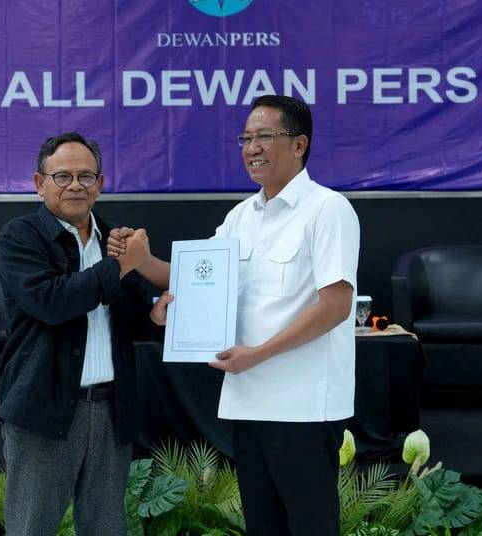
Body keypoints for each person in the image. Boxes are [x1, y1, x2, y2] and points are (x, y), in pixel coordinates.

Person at [109, 95, 360, 535]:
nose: (252, 148)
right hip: (248, 400)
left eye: (265, 136)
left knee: (310, 526)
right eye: (246, 138)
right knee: (262, 526)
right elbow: (195, 278)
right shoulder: (241, 216)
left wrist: (260, 353)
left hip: (302, 405)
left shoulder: (328, 209)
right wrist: (144, 264)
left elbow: (336, 305)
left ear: (299, 144)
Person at [0, 132, 170, 536]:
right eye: (63, 176)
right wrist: (123, 264)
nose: (75, 185)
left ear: (100, 184)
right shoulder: (20, 236)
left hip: (111, 409)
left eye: (86, 176)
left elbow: (130, 313)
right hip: (44, 408)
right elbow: (53, 302)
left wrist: (154, 315)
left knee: (106, 527)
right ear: (39, 184)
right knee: (32, 527)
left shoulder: (115, 240)